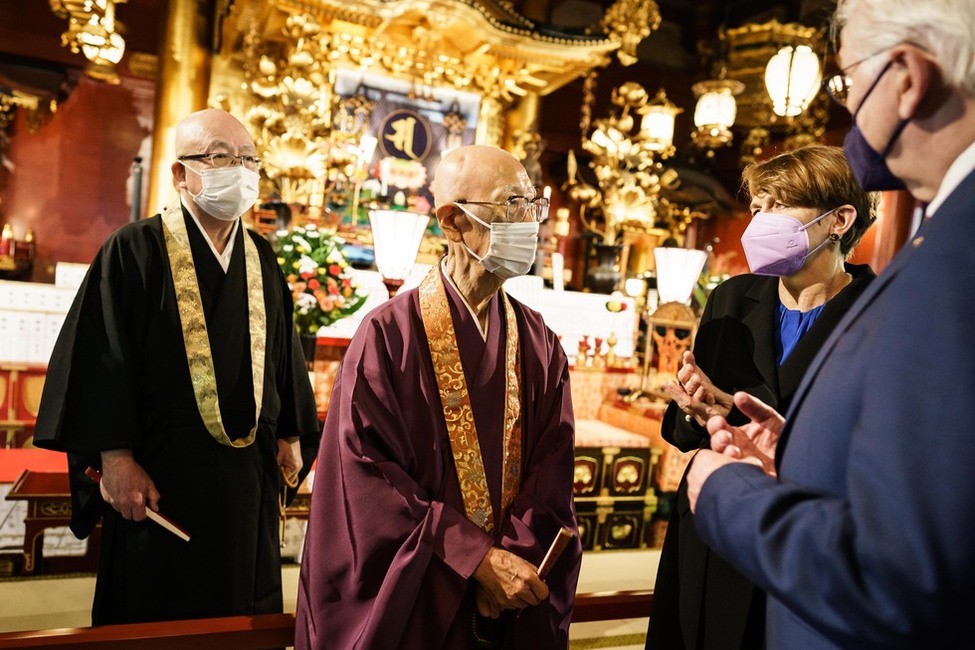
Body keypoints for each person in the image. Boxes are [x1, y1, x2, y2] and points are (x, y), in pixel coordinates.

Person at [685, 0, 975, 647]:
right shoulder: (941, 237)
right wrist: (793, 451)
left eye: (845, 83)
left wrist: (727, 492)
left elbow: (900, 575)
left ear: (905, 77)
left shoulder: (957, 252)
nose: (845, 111)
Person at [33, 108, 321, 625]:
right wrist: (116, 460)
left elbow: (283, 356)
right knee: (155, 617)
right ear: (180, 174)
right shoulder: (133, 249)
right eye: (219, 157)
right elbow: (101, 361)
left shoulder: (261, 256)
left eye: (248, 159)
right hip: (159, 479)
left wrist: (292, 433)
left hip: (245, 480)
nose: (239, 169)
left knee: (238, 615)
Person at [295, 144, 582, 649]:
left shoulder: (539, 342)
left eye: (532, 206)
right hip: (424, 590)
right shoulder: (388, 335)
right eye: (511, 205)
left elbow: (553, 468)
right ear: (452, 221)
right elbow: (365, 476)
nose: (530, 223)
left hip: (511, 593)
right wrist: (475, 559)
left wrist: (514, 561)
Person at [647, 145, 876, 650]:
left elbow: (875, 454)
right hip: (713, 527)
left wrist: (761, 427)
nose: (760, 220)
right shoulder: (732, 297)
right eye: (757, 206)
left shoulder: (877, 314)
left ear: (839, 220)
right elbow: (682, 431)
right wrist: (694, 409)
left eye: (778, 205)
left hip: (799, 536)